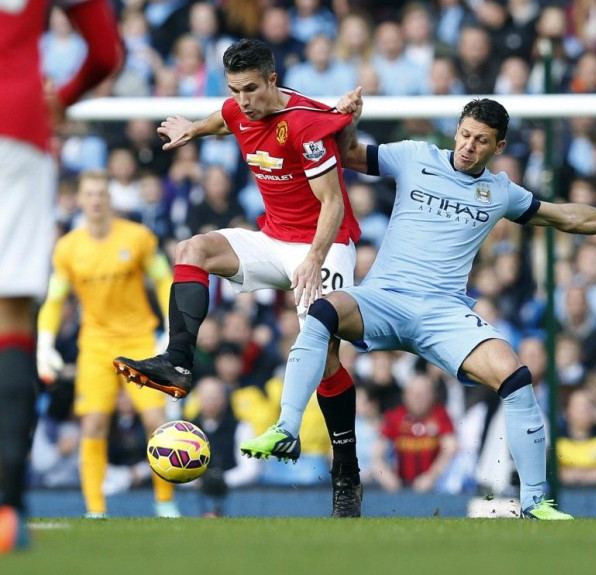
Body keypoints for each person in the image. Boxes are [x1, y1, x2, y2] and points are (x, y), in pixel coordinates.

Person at [240, 92, 596, 520]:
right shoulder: (413, 156)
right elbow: (345, 154)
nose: (468, 146)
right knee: (323, 312)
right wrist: (350, 120)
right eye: (464, 134)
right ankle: (286, 428)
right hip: (385, 297)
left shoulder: (500, 192)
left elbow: (568, 217)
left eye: (481, 141)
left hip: (442, 314)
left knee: (516, 379)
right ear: (455, 130)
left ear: (498, 147)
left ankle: (535, 501)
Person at [113, 38, 364, 518]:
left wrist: (313, 258)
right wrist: (193, 128)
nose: (244, 100)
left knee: (325, 354)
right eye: (235, 89)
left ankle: (346, 474)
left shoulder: (307, 126)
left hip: (324, 244)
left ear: (273, 79)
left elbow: (332, 203)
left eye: (251, 88)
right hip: (273, 240)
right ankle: (178, 362)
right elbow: (226, 118)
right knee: (192, 249)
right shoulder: (238, 108)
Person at [0, 0, 121, 553]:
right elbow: (103, 52)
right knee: (12, 318)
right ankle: (6, 507)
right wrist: (61, 101)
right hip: (17, 126)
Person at [37, 171, 179, 519]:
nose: (96, 200)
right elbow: (55, 299)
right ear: (80, 200)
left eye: (102, 193)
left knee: (155, 420)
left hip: (139, 341)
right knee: (94, 424)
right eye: (89, 193)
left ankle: (165, 503)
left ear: (110, 199)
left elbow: (164, 280)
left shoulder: (138, 237)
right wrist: (45, 343)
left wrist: (173, 328)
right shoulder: (68, 248)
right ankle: (96, 510)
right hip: (96, 345)